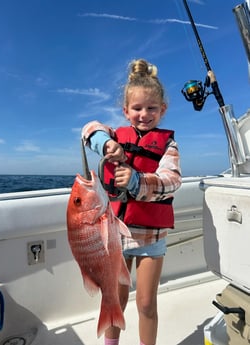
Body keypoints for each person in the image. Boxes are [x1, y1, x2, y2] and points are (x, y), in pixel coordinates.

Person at [82, 58, 182, 345]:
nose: (144, 114)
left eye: (152, 108)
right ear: (126, 111)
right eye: (137, 108)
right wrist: (105, 143)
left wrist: (138, 181)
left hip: (152, 238)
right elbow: (88, 129)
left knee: (147, 304)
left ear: (163, 110)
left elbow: (172, 179)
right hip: (117, 233)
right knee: (115, 299)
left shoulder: (169, 145)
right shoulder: (115, 136)